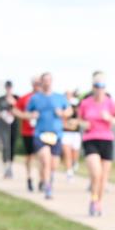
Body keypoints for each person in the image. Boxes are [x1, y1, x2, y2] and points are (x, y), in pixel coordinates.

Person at [26, 72, 70, 200]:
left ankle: (47, 180)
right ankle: (48, 188)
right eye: (44, 80)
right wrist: (32, 115)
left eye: (49, 80)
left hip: (56, 134)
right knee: (45, 160)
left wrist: (62, 113)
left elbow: (69, 110)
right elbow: (26, 113)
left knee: (53, 164)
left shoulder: (59, 97)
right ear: (41, 82)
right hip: (40, 133)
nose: (47, 82)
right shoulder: (35, 98)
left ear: (52, 81)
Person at [79, 72, 115, 216]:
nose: (99, 88)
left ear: (105, 87)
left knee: (103, 177)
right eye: (96, 85)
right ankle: (93, 199)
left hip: (107, 139)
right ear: (92, 86)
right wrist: (84, 124)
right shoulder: (85, 102)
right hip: (90, 139)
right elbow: (79, 120)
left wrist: (109, 118)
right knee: (96, 173)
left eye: (101, 86)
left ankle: (98, 203)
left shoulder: (110, 102)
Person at [14, 77, 41, 191]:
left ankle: (42, 180)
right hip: (28, 131)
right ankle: (29, 178)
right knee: (30, 156)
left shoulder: (46, 98)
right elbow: (15, 110)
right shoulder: (25, 98)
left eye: (39, 83)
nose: (37, 85)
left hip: (42, 131)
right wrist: (26, 116)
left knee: (42, 156)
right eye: (35, 83)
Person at [0, 82, 18, 179]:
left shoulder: (17, 98)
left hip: (13, 126)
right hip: (3, 126)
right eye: (7, 87)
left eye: (10, 87)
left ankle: (10, 167)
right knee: (5, 146)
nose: (9, 89)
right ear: (5, 88)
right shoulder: (0, 99)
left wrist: (14, 103)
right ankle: (6, 168)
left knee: (12, 146)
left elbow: (22, 109)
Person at [61, 90, 83, 180]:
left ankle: (74, 164)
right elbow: (62, 119)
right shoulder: (63, 106)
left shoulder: (77, 106)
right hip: (66, 133)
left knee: (75, 154)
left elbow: (81, 117)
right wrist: (67, 124)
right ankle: (69, 172)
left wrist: (76, 122)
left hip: (76, 133)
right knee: (67, 153)